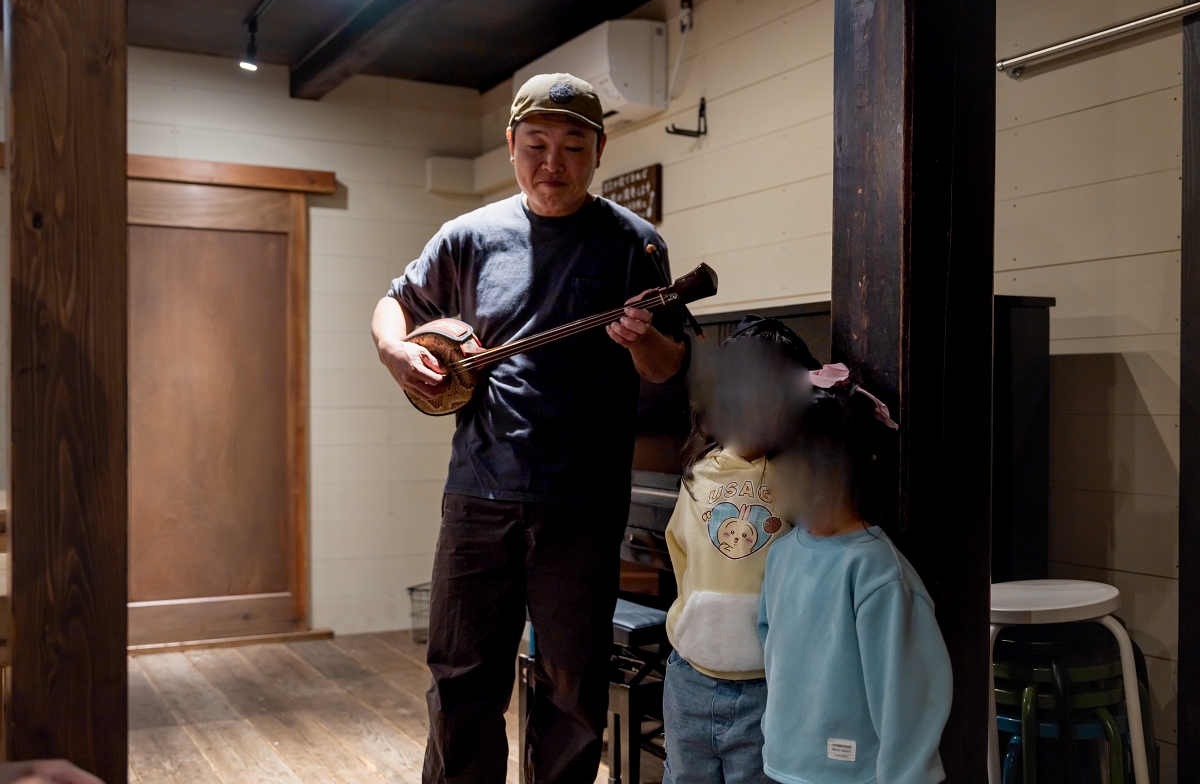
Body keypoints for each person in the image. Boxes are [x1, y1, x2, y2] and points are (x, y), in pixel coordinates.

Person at [371, 72, 689, 784]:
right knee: (461, 679)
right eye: (537, 144)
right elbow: (394, 304)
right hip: (479, 497)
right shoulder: (470, 235)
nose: (554, 163)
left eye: (573, 147)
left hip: (582, 503)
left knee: (573, 688)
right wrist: (395, 351)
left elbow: (670, 366)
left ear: (600, 151)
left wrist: (642, 341)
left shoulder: (634, 245)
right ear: (512, 144)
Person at [755, 364, 953, 784]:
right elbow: (771, 649)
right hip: (781, 765)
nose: (770, 484)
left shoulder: (878, 573)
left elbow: (908, 701)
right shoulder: (782, 554)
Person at [660, 317, 819, 784]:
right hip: (689, 679)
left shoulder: (800, 477)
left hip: (767, 686)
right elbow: (681, 556)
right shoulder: (699, 474)